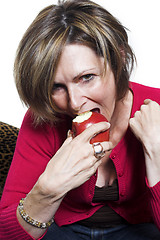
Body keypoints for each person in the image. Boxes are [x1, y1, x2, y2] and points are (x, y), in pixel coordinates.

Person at [0, 0, 160, 239]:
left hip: (141, 228)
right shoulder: (43, 119)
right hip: (61, 229)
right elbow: (6, 233)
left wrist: (156, 151)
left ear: (119, 59)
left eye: (87, 77)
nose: (74, 103)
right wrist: (48, 189)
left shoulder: (156, 107)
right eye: (56, 86)